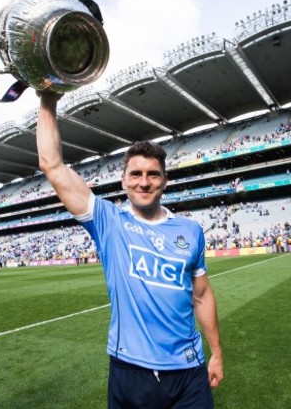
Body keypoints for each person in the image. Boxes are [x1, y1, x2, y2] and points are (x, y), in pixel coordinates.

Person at [36, 91, 223, 408]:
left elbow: (202, 295)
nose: (144, 182)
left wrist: (216, 353)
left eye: (153, 174)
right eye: (136, 174)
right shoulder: (108, 221)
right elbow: (51, 165)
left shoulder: (191, 232)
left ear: (165, 181)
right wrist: (48, 99)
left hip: (189, 371)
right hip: (130, 371)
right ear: (123, 181)